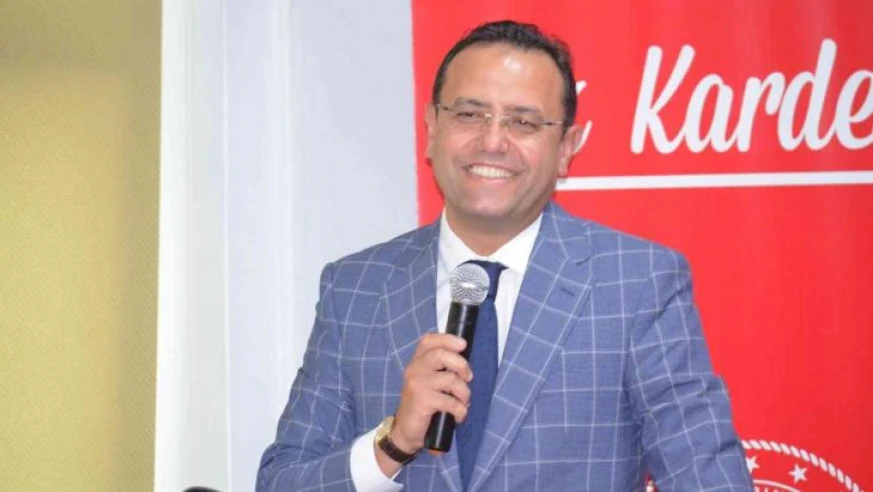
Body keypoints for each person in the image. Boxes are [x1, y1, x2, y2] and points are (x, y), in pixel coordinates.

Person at [257, 20, 753, 492]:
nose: (493, 141)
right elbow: (282, 481)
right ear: (432, 128)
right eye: (469, 114)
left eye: (524, 122)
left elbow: (709, 479)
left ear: (566, 148)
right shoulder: (355, 288)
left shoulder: (636, 283)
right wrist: (393, 443)